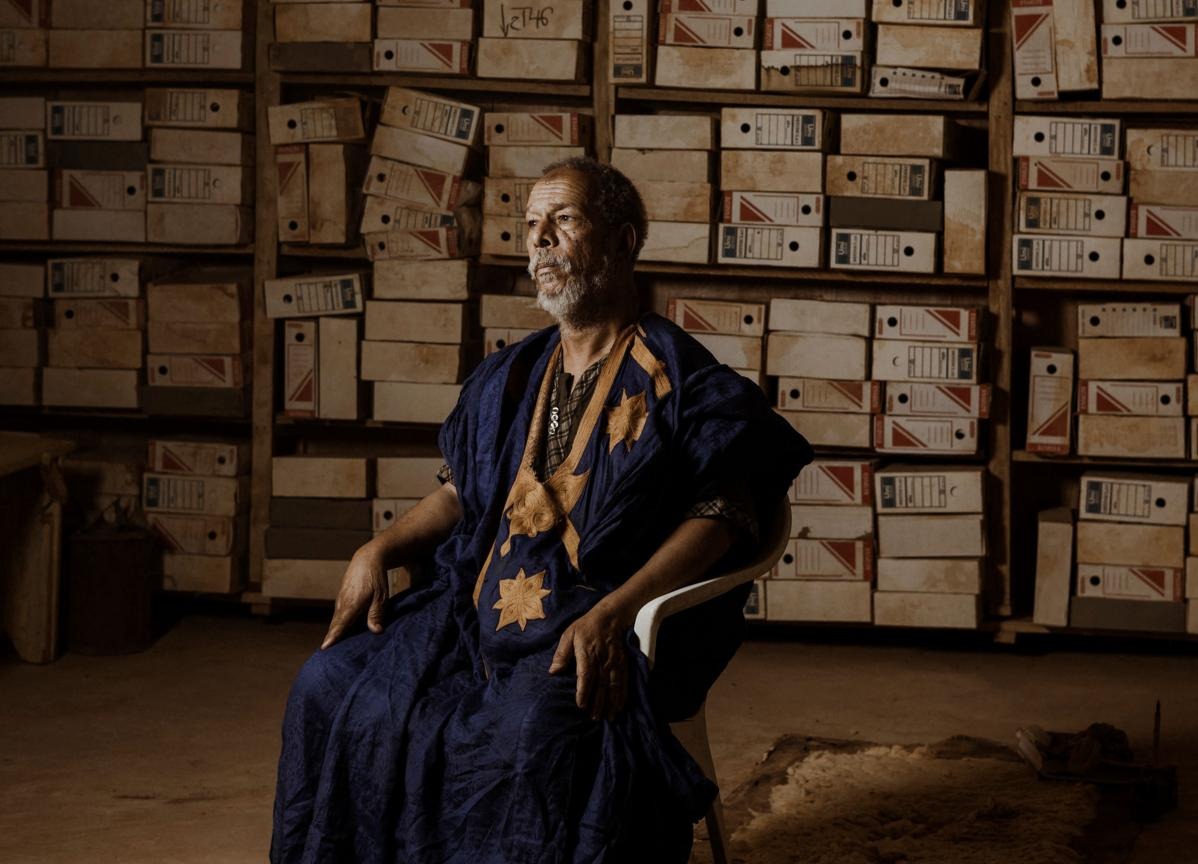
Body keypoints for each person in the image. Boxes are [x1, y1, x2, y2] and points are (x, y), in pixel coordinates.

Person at [271, 157, 812, 863]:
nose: (539, 240)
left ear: (622, 241)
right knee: (329, 683)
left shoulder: (682, 378)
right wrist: (377, 550)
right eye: (531, 224)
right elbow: (461, 493)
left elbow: (723, 514)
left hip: (590, 620)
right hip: (474, 610)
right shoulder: (511, 374)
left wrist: (616, 612)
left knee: (528, 735)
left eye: (564, 220)